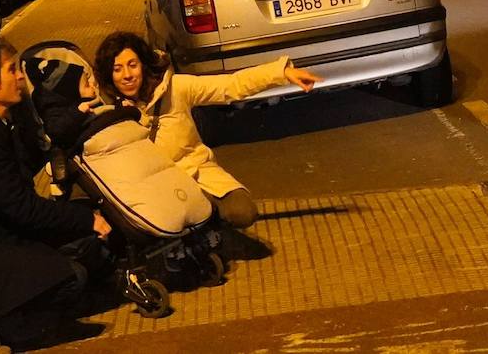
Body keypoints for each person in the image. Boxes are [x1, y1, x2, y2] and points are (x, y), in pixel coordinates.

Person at [0, 37, 112, 354]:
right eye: (11, 70)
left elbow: (26, 169)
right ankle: (3, 328)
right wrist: (86, 220)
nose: (20, 77)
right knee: (73, 275)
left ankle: (19, 316)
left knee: (85, 247)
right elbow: (22, 208)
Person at [93, 32, 320, 229]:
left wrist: (282, 73)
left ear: (144, 64)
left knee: (242, 211)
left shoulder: (176, 88)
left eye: (132, 65)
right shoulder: (108, 110)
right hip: (154, 187)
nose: (127, 75)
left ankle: (206, 227)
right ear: (108, 75)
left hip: (196, 172)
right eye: (117, 69)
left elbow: (230, 86)